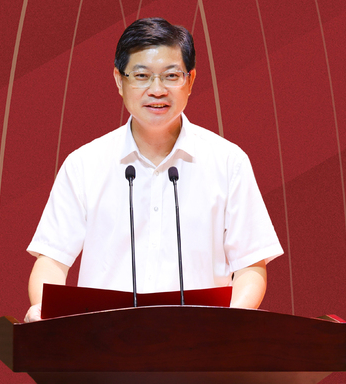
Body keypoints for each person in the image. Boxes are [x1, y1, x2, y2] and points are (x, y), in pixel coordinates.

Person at [24, 17, 283, 323]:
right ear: (119, 80)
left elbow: (251, 266)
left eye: (171, 76)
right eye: (142, 76)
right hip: (103, 341)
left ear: (190, 80)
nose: (157, 90)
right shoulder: (84, 164)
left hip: (201, 343)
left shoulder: (228, 162)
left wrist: (228, 330)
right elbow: (52, 260)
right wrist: (46, 315)